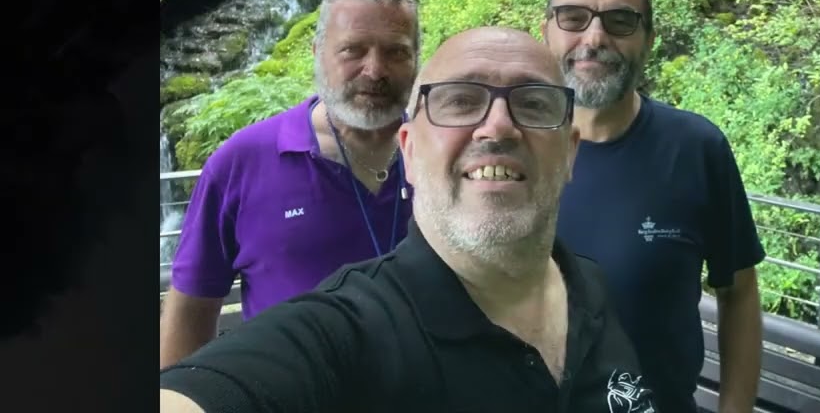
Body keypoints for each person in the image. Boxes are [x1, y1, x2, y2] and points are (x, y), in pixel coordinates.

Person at [159, 26, 660, 413]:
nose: (498, 126)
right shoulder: (346, 333)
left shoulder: (587, 285)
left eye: (534, 103)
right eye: (460, 101)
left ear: (570, 153)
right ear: (410, 152)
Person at [541, 0, 766, 413]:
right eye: (573, 17)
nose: (595, 36)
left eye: (621, 20)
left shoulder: (695, 148)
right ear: (546, 30)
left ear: (649, 39)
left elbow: (739, 291)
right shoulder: (513, 144)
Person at [159, 0, 420, 368]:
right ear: (317, 53)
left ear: (418, 57)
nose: (374, 69)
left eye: (396, 52)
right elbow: (190, 316)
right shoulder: (241, 161)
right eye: (352, 50)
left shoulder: (451, 155)